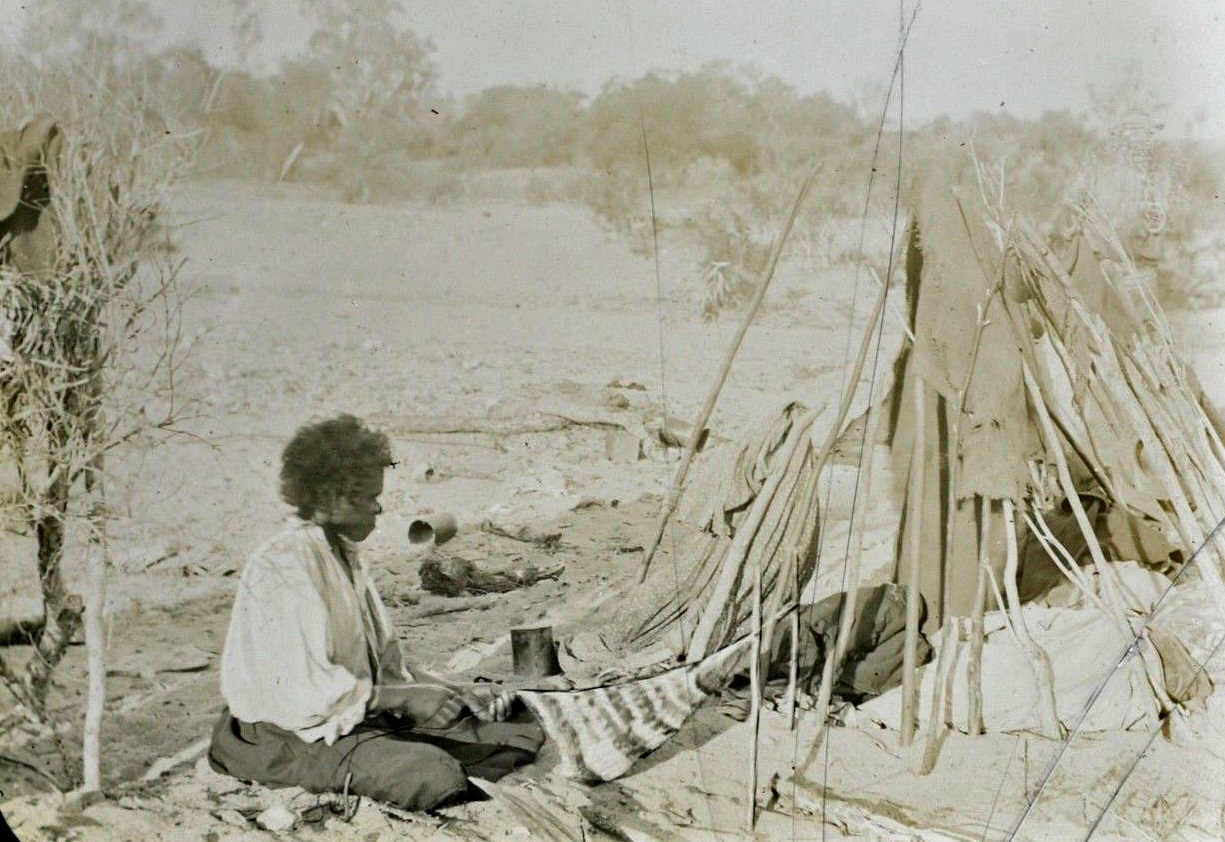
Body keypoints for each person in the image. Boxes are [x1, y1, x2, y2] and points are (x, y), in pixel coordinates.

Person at [208, 414, 545, 811]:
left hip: (349, 715)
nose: (379, 508)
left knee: (513, 730)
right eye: (369, 497)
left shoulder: (344, 557)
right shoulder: (284, 565)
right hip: (286, 736)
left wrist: (452, 691)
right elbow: (300, 694)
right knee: (434, 775)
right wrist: (402, 698)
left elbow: (383, 664)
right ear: (333, 498)